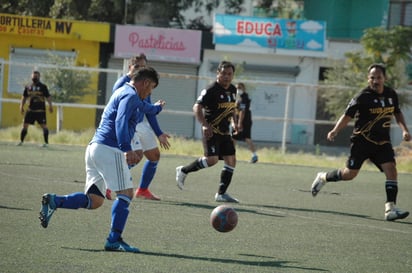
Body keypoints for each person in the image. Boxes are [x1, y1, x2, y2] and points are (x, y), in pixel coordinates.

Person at [39, 67, 164, 252]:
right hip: (109, 149)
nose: (151, 91)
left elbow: (143, 107)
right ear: (145, 83)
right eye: (152, 87)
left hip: (94, 148)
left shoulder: (127, 92)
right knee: (126, 194)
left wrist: (156, 108)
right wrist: (126, 149)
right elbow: (121, 121)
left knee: (95, 200)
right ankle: (114, 240)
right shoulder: (130, 96)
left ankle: (55, 201)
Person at [311, 63, 411, 221]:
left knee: (391, 170)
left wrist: (404, 129)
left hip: (382, 142)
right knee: (349, 174)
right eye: (372, 77)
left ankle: (390, 209)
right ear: (368, 79)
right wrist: (335, 130)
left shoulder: (391, 94)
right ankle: (323, 177)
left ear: (385, 78)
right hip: (362, 142)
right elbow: (347, 115)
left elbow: (397, 113)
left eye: (378, 77)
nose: (375, 80)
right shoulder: (362, 96)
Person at [106, 54, 170, 201]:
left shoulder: (145, 84)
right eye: (137, 66)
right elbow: (120, 113)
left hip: (141, 125)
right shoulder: (123, 84)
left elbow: (147, 109)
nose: (140, 69)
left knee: (154, 156)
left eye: (143, 66)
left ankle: (142, 190)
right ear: (130, 67)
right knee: (135, 156)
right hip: (130, 124)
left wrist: (159, 133)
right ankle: (108, 186)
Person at [175, 61, 239, 203]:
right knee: (212, 160)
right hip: (211, 131)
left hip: (225, 133)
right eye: (223, 73)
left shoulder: (233, 90)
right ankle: (184, 170)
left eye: (229, 74)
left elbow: (232, 108)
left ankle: (221, 194)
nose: (226, 77)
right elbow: (197, 107)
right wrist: (204, 125)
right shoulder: (211, 90)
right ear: (218, 73)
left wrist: (234, 123)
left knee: (231, 160)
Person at [18, 70, 53, 147]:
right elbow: (24, 97)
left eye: (36, 76)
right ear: (31, 77)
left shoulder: (43, 87)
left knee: (44, 126)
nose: (34, 78)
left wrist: (50, 105)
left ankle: (46, 143)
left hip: (40, 111)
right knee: (24, 125)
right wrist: (21, 106)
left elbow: (48, 97)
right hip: (30, 110)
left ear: (39, 77)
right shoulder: (28, 87)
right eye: (33, 76)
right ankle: (21, 141)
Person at [232, 82, 258, 163]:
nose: (238, 89)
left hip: (245, 122)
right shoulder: (237, 98)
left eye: (240, 88)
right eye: (237, 88)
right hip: (239, 121)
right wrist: (234, 122)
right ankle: (231, 155)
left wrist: (239, 123)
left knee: (246, 138)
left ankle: (254, 155)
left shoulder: (244, 98)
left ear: (244, 89)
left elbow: (242, 111)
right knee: (233, 138)